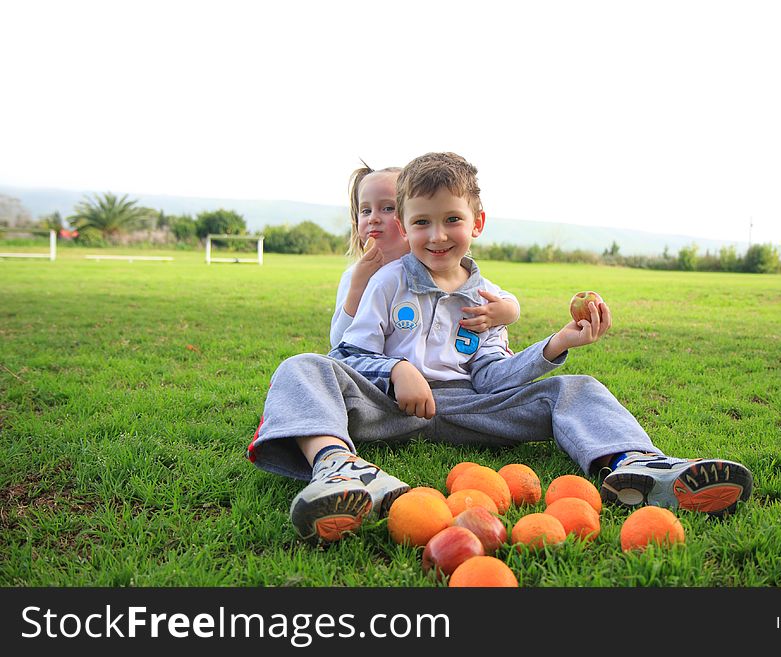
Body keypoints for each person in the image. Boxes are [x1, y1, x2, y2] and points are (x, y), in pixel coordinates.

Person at [248, 152, 753, 541]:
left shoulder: (487, 299)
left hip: (474, 406)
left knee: (574, 387)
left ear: (477, 223)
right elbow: (348, 355)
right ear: (405, 223)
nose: (438, 235)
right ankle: (339, 470)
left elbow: (491, 373)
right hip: (390, 407)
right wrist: (398, 369)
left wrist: (554, 345)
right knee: (303, 367)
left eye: (452, 220)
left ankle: (634, 466)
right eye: (422, 222)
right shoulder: (387, 285)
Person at [329, 163, 520, 348]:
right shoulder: (355, 276)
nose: (373, 218)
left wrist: (509, 311)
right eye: (365, 210)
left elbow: (489, 291)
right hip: (380, 372)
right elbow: (339, 344)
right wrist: (357, 288)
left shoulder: (436, 265)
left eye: (388, 207)